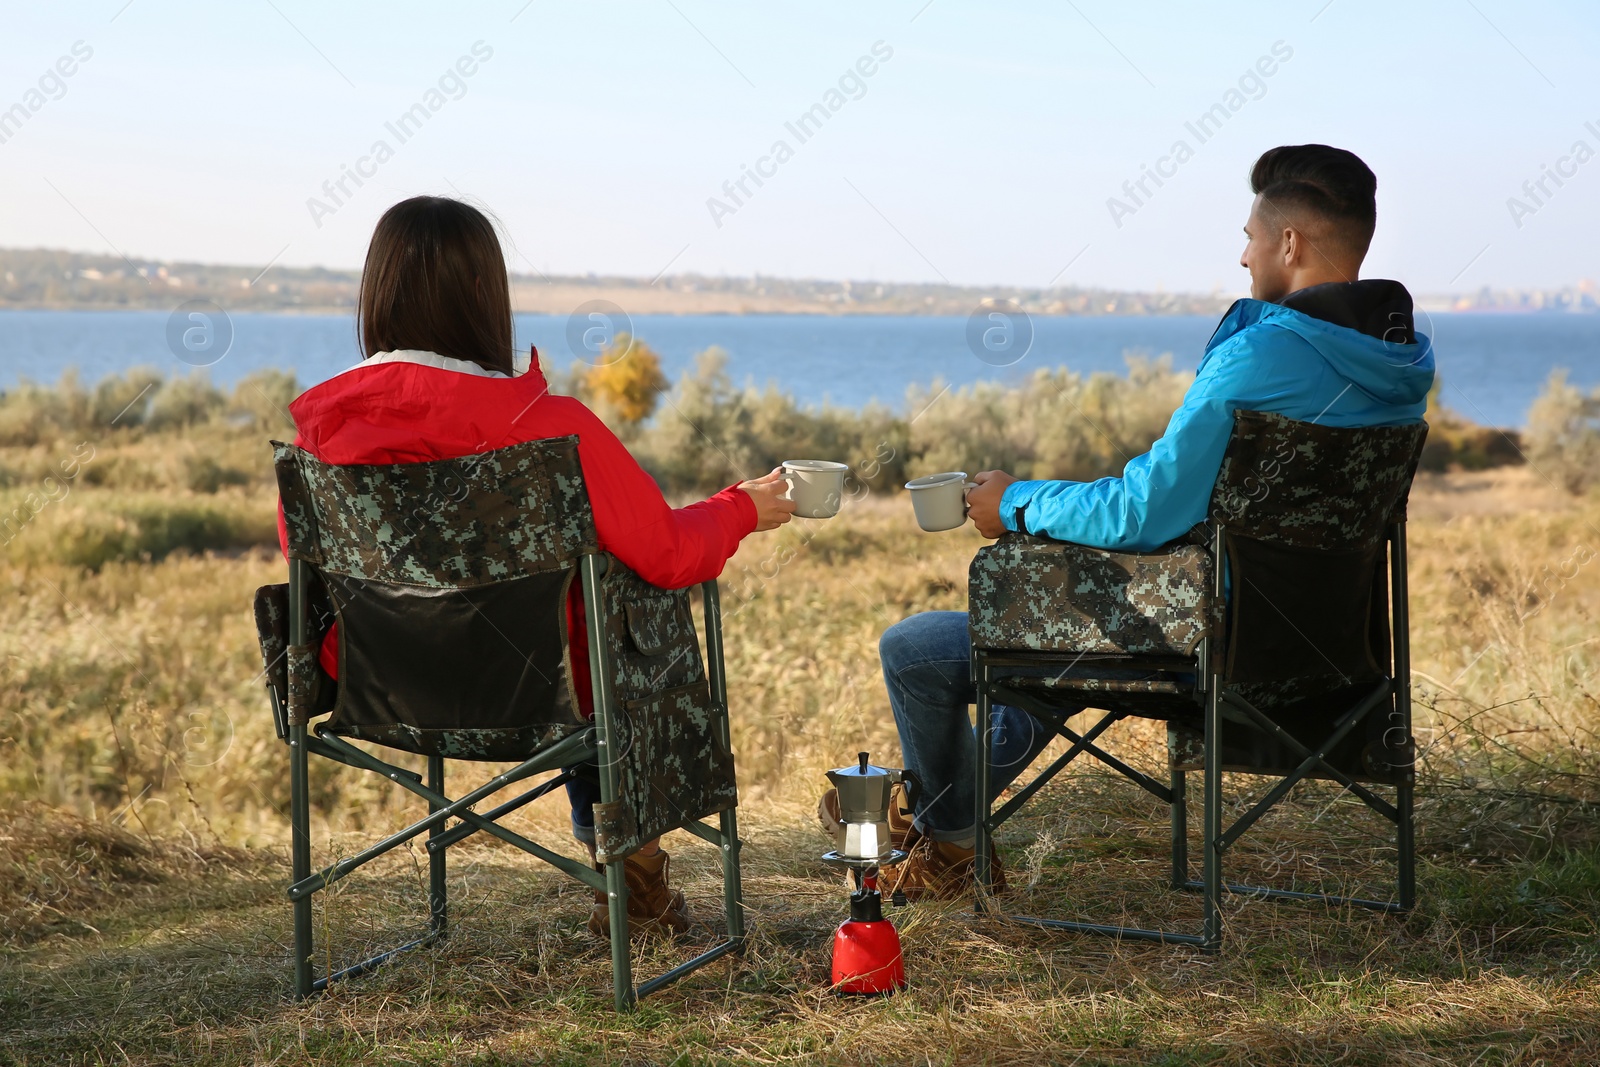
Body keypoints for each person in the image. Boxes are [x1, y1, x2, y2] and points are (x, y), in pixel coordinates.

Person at [844, 144, 1437, 899]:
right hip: (1330, 649)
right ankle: (924, 819)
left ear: (1289, 243)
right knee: (1052, 639)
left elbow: (1142, 510)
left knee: (918, 649)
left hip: (1205, 642)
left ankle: (946, 839)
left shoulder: (1262, 353)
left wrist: (1016, 502)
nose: (1244, 254)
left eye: (1252, 235)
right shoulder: (1402, 366)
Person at [279, 196, 796, 935]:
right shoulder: (553, 431)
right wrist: (741, 508)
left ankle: (628, 882)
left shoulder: (317, 439)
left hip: (382, 687)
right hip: (543, 693)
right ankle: (634, 881)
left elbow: (314, 573)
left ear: (376, 292)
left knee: (569, 622)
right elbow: (670, 553)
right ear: (487, 297)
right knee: (612, 622)